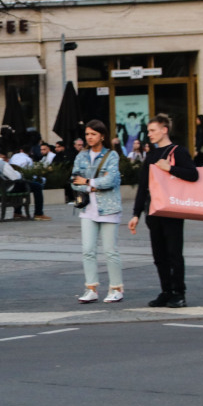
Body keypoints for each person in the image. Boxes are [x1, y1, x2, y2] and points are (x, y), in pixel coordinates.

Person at [128, 112, 199, 308]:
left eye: (152, 130)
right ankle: (166, 291)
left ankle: (179, 292)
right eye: (148, 130)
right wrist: (136, 214)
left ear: (164, 130)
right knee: (159, 255)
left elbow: (193, 175)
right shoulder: (150, 155)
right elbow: (143, 186)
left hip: (173, 210)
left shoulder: (178, 151)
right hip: (153, 211)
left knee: (174, 253)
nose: (149, 134)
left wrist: (170, 168)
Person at [72, 120, 124, 303]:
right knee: (88, 250)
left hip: (108, 208)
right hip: (87, 208)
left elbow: (111, 181)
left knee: (110, 250)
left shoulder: (111, 156)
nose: (89, 137)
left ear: (102, 135)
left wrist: (87, 183)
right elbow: (73, 180)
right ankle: (91, 288)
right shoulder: (82, 156)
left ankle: (116, 288)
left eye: (93, 134)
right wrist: (93, 185)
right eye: (87, 134)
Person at [0, 144, 51, 220]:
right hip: (7, 188)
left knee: (19, 185)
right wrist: (19, 173)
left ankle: (18, 212)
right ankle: (38, 213)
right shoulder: (1, 163)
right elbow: (14, 177)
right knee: (37, 186)